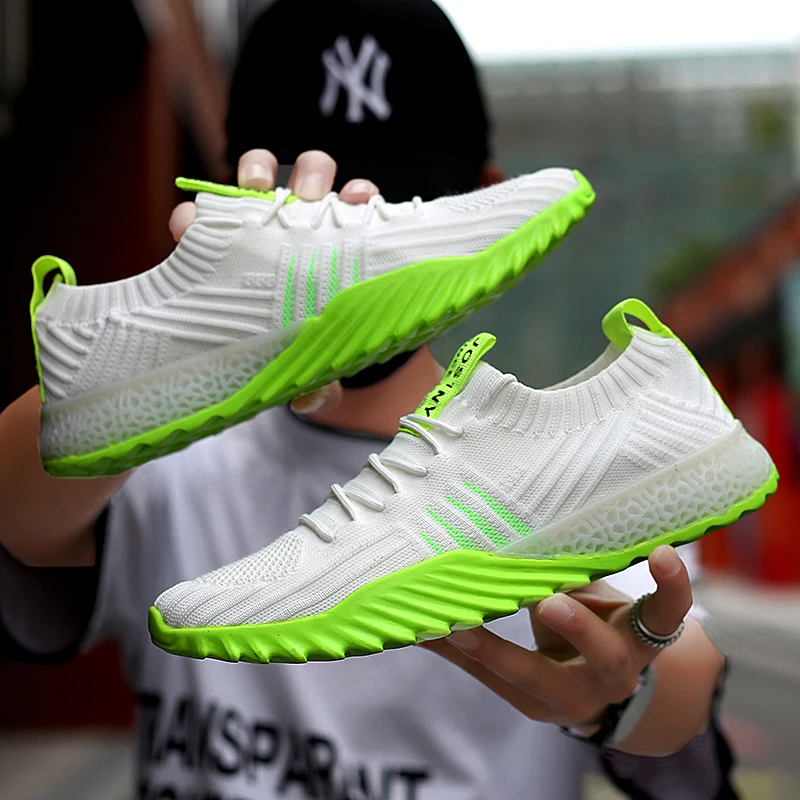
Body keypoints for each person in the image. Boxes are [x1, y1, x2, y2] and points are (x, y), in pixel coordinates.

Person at [0, 1, 735, 798]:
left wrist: (627, 693)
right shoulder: (170, 467)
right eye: (302, 218)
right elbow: (15, 511)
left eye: (395, 213)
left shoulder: (570, 484)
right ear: (223, 200)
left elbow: (682, 690)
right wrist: (165, 341)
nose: (345, 258)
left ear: (480, 206)